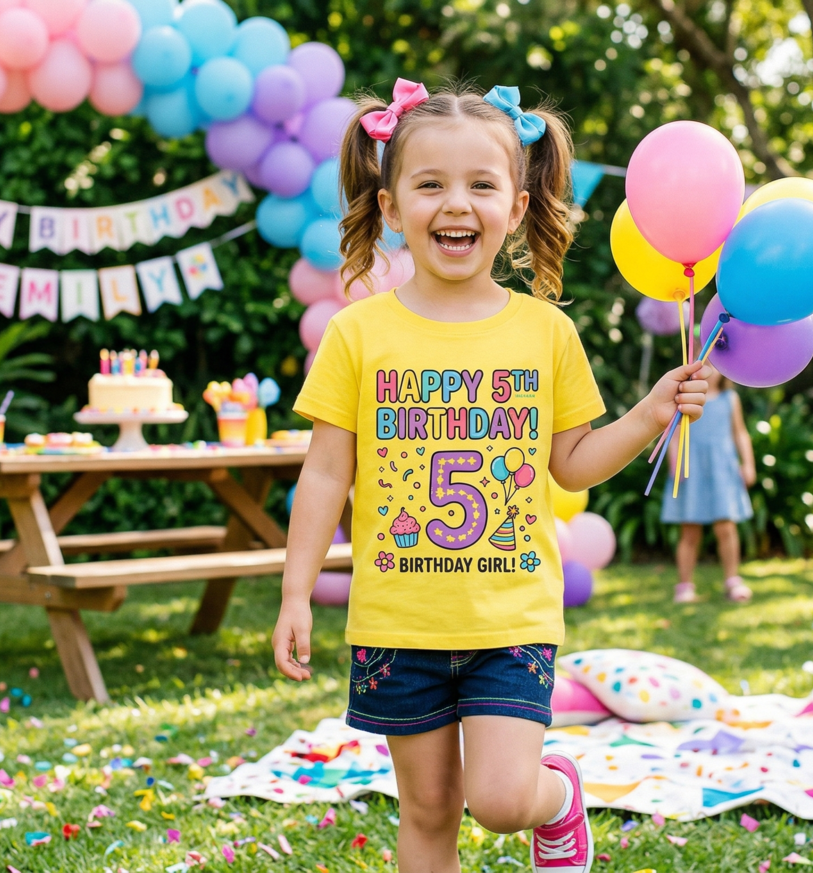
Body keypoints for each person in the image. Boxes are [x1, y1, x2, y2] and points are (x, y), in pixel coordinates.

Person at [270, 80, 715, 873]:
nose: (457, 204)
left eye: (481, 184)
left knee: (502, 800)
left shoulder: (546, 332)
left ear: (514, 207)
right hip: (398, 622)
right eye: (431, 183)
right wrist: (296, 590)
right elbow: (327, 471)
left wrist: (649, 413)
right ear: (391, 205)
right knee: (430, 810)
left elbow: (572, 463)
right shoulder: (357, 333)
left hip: (511, 618)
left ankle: (560, 798)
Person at [662, 372, 756, 603]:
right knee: (690, 531)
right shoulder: (684, 398)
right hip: (691, 469)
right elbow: (673, 434)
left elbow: (740, 433)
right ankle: (684, 586)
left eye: (713, 366)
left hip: (721, 469)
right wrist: (675, 462)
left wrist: (748, 463)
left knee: (726, 528)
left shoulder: (730, 398)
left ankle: (732, 580)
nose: (708, 371)